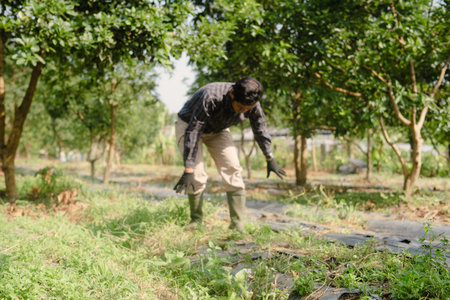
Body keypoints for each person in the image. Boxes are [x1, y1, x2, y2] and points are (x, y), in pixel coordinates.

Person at [173, 77, 286, 232]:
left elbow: (260, 127)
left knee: (233, 168)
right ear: (232, 93)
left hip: (218, 130)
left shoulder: (251, 102)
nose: (244, 112)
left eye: (248, 109)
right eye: (240, 107)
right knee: (197, 175)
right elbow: (195, 129)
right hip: (189, 125)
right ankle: (196, 221)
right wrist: (189, 168)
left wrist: (269, 157)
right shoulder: (211, 96)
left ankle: (237, 224)